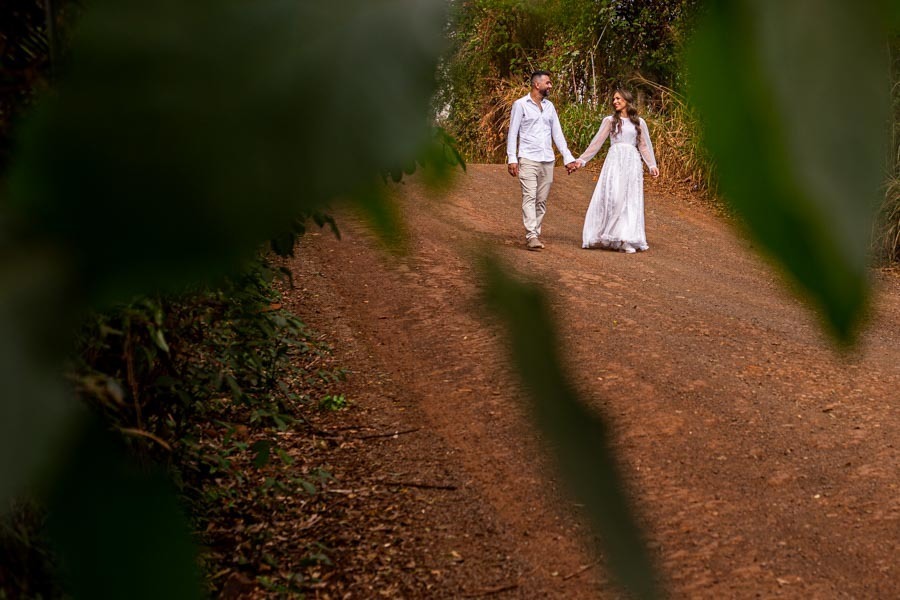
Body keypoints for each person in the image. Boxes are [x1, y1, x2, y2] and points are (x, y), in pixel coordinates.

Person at [569, 89, 659, 253]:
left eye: (618, 98)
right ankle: (607, 235)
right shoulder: (610, 121)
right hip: (615, 162)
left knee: (630, 199)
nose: (615, 101)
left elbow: (644, 146)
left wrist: (652, 165)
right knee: (615, 198)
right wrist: (581, 160)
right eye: (614, 99)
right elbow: (597, 142)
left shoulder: (639, 122)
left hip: (632, 162)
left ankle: (625, 238)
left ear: (627, 99)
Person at [507, 70, 579, 251]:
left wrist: (568, 157)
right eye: (548, 82)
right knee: (529, 196)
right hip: (528, 157)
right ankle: (531, 235)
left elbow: (558, 134)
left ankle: (535, 232)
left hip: (547, 159)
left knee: (541, 200)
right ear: (536, 84)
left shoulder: (549, 107)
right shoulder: (520, 105)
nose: (550, 85)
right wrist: (512, 158)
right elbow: (513, 132)